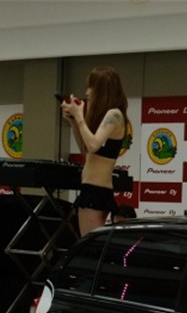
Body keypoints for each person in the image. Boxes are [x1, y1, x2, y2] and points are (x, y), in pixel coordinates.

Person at [61, 66, 127, 236]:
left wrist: (79, 117)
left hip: (96, 190)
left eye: (91, 87)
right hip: (92, 188)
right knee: (90, 242)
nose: (87, 92)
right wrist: (73, 122)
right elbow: (86, 148)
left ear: (102, 89)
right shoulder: (107, 116)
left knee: (90, 244)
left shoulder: (114, 114)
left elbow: (93, 145)